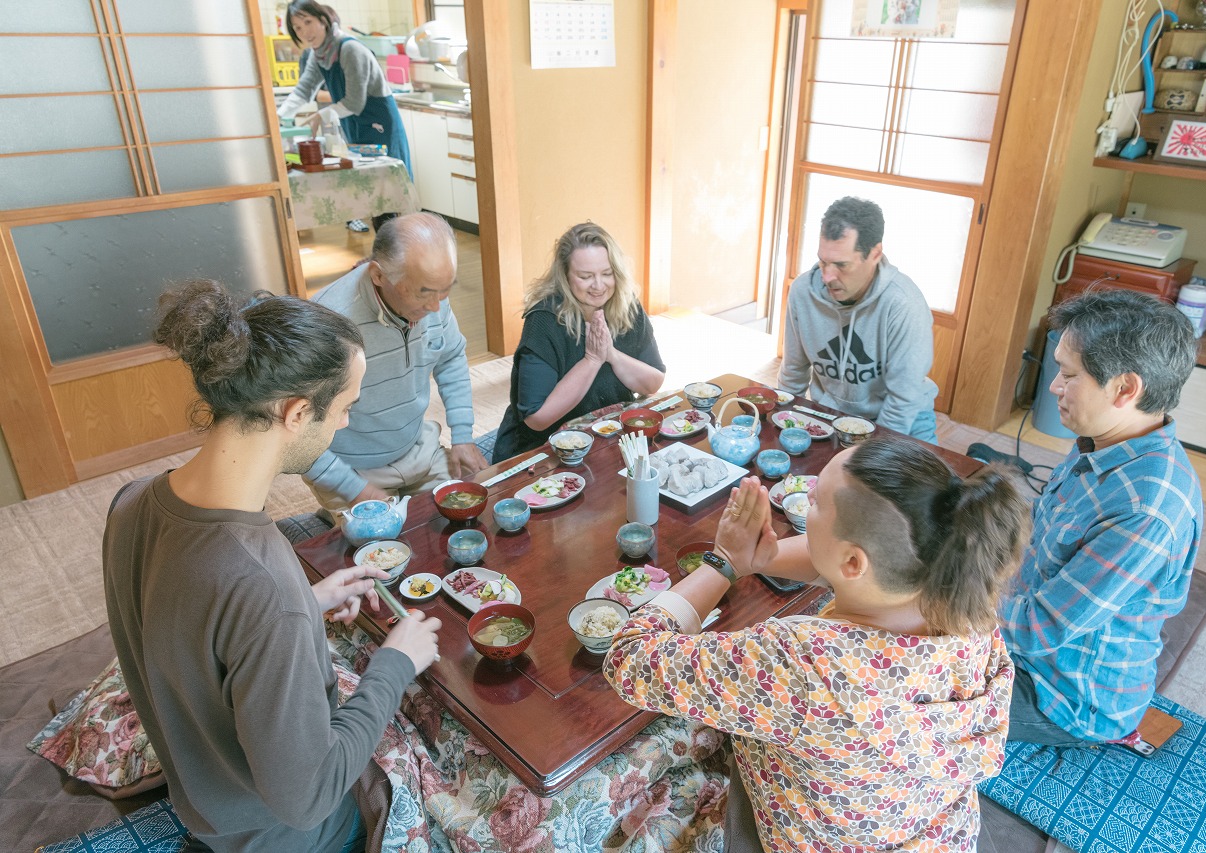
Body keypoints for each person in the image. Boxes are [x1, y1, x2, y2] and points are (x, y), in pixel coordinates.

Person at [103, 280, 442, 852]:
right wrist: (393, 665)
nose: (343, 427)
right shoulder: (263, 582)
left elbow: (189, 629)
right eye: (343, 409)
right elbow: (306, 797)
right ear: (296, 412)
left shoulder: (132, 501)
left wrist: (308, 606)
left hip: (203, 801)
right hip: (284, 836)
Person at [604, 435, 1029, 851]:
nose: (805, 497)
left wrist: (724, 563)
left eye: (815, 502)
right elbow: (850, 569)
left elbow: (629, 658)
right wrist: (762, 560)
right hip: (933, 830)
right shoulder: (968, 601)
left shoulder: (804, 664)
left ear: (852, 560)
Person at [999, 289, 1202, 747]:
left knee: (887, 693)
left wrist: (942, 596)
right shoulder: (1104, 440)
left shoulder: (1148, 507)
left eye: (1068, 375)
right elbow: (1041, 528)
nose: (1054, 386)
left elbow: (1039, 628)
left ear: (1125, 389)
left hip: (1065, 696)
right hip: (1031, 632)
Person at [303, 213, 489, 511]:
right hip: (354, 469)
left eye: (446, 289)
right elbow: (297, 433)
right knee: (380, 553)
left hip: (417, 446)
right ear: (378, 275)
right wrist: (351, 487)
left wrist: (463, 436)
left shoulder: (433, 296)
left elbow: (451, 357)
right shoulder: (327, 324)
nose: (436, 306)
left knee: (460, 518)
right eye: (424, 292)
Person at [492, 222, 666, 460]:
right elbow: (536, 418)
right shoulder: (544, 322)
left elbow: (653, 383)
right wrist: (592, 360)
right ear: (565, 276)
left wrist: (611, 355)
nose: (599, 285)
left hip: (609, 436)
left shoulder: (626, 306)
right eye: (586, 276)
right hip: (544, 450)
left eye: (607, 274)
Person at [778, 196, 938, 442]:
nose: (827, 276)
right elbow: (793, 371)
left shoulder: (903, 304)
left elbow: (903, 399)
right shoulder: (803, 292)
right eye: (823, 261)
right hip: (830, 414)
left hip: (901, 419)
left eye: (841, 265)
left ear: (875, 254)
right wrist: (782, 423)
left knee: (925, 481)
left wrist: (868, 458)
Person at [277, 0, 411, 233]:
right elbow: (304, 90)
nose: (305, 32)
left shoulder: (350, 49)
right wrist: (277, 117)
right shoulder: (318, 54)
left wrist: (323, 114)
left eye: (308, 22)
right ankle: (383, 256)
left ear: (323, 20)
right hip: (353, 122)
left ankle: (395, 255)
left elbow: (355, 101)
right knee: (369, 191)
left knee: (385, 192)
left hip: (379, 122)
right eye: (297, 28)